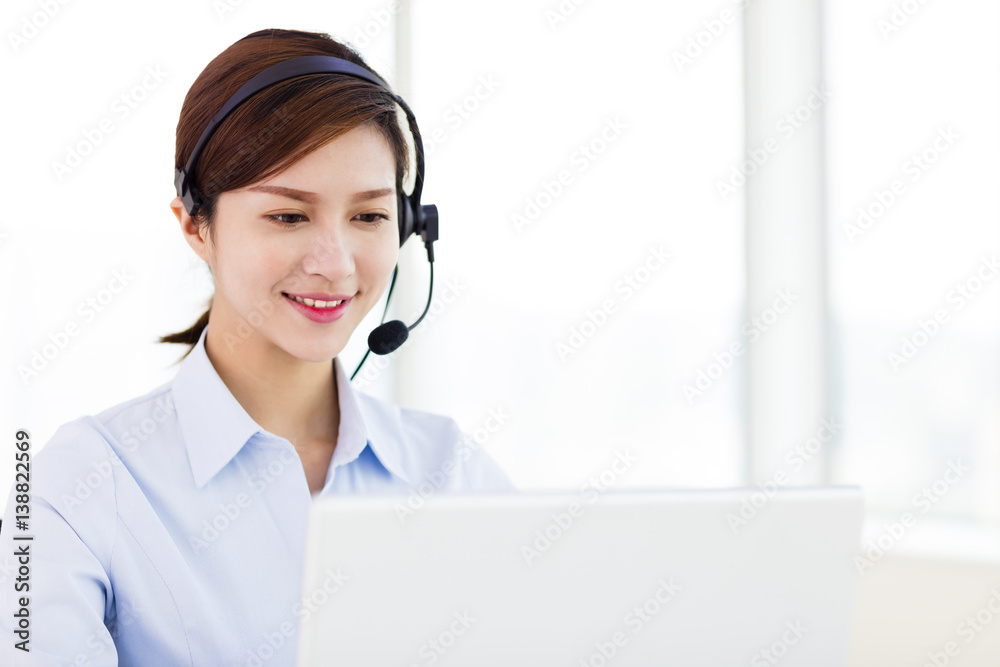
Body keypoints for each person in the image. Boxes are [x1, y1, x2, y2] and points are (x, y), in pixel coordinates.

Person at [0, 28, 515, 666]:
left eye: (369, 217)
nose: (335, 264)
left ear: (408, 226)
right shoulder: (78, 485)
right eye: (288, 216)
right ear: (195, 224)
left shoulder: (453, 475)